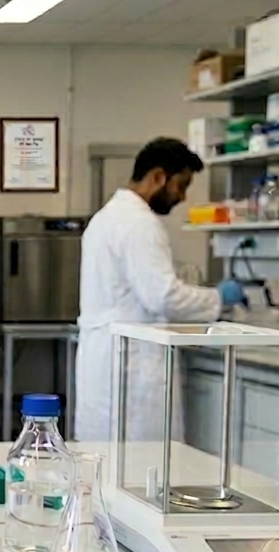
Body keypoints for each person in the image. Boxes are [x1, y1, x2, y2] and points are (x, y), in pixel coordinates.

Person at [74, 138, 245, 443]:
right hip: (132, 364)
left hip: (104, 358)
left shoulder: (104, 219)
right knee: (140, 465)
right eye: (181, 185)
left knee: (101, 458)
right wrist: (218, 298)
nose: (181, 197)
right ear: (157, 177)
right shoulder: (140, 223)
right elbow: (164, 296)